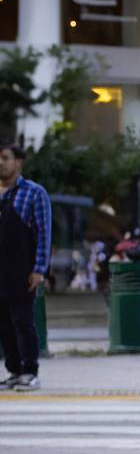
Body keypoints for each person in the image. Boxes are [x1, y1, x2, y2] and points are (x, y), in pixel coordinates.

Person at [0, 142, 50, 391]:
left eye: (5, 158)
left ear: (17, 162)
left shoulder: (33, 192)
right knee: (4, 325)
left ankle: (30, 371)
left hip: (22, 271)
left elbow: (43, 232)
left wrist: (39, 268)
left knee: (22, 321)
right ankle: (14, 371)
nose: (1, 163)